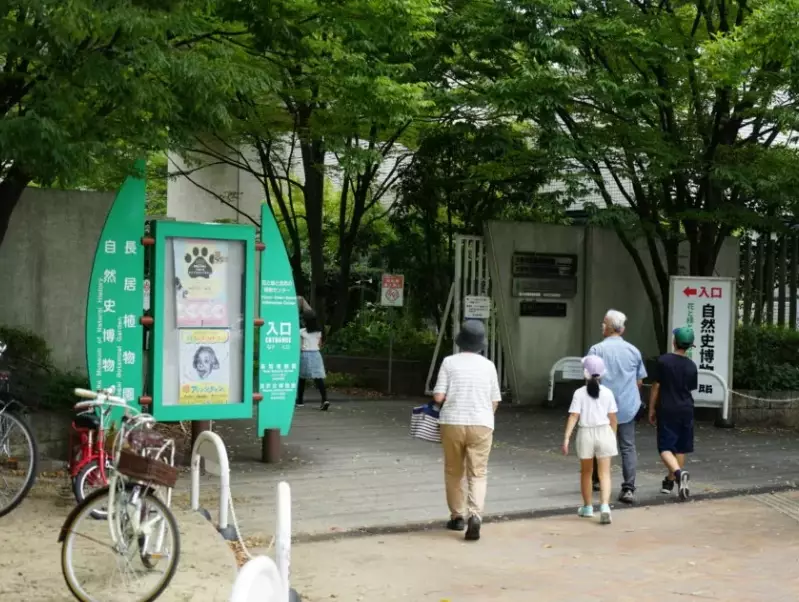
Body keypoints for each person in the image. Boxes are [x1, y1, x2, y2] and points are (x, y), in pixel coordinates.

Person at [433, 319, 501, 542]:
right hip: (482, 423)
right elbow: (494, 400)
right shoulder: (489, 366)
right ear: (481, 343)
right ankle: (475, 515)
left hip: (452, 422)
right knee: (478, 473)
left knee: (454, 471)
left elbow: (439, 396)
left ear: (461, 341)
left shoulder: (449, 362)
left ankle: (457, 517)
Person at [587, 309, 646, 504]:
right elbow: (639, 381)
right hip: (627, 406)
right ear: (622, 329)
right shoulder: (633, 351)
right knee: (628, 446)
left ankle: (598, 479)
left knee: (599, 444)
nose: (602, 325)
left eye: (604, 322)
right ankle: (628, 488)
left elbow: (590, 379)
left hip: (602, 407)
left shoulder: (596, 350)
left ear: (610, 327)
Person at [562, 355, 618, 525]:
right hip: (604, 432)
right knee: (605, 473)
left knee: (586, 472)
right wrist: (613, 435)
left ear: (585, 373)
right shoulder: (608, 393)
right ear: (602, 373)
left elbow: (573, 416)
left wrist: (566, 438)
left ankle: (587, 507)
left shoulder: (579, 393)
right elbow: (613, 418)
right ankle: (605, 507)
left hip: (586, 433)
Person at [648, 326, 698, 501]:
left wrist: (651, 408)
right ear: (690, 345)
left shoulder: (663, 361)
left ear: (674, 342)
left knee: (665, 448)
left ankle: (678, 473)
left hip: (667, 408)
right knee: (680, 447)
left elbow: (656, 386)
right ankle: (671, 481)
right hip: (686, 408)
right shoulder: (692, 366)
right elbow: (690, 388)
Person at [296, 312, 329, 411]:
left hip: (305, 354)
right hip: (316, 354)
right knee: (318, 378)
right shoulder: (318, 332)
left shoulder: (301, 332)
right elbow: (319, 345)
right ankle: (324, 399)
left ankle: (300, 401)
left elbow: (300, 346)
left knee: (301, 378)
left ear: (305, 321)